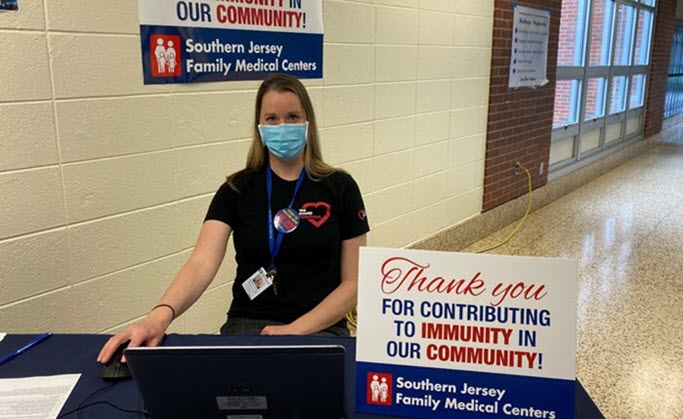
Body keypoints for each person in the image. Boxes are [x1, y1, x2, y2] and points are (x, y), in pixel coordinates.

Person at [98, 74, 369, 364]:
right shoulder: (237, 189)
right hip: (247, 324)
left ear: (308, 124)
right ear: (260, 127)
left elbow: (353, 283)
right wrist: (159, 316)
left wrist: (294, 331)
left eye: (292, 117)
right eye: (272, 119)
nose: (283, 126)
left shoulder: (340, 187)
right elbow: (201, 262)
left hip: (321, 329)